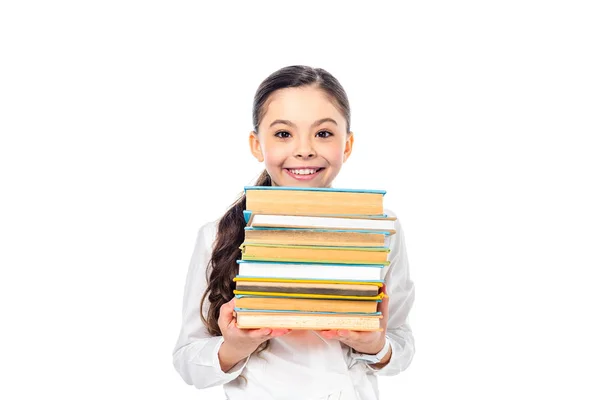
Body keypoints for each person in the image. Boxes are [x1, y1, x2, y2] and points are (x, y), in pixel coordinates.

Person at [172, 65, 415, 400]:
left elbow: (400, 342)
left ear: (347, 145)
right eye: (284, 134)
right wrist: (234, 347)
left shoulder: (382, 228)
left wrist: (376, 346)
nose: (304, 149)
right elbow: (188, 361)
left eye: (324, 133)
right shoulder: (217, 235)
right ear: (257, 145)